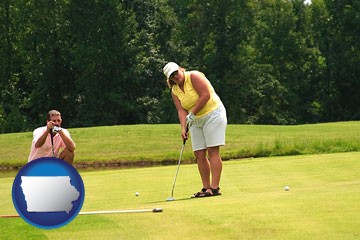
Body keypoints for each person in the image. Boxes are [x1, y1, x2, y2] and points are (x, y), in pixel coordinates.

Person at [163, 62, 227, 197]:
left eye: (176, 73)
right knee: (199, 153)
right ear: (169, 79)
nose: (175, 77)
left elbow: (205, 95)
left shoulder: (194, 76)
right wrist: (183, 128)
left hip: (213, 114)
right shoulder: (174, 91)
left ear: (181, 69)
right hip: (195, 120)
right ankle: (206, 187)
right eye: (171, 76)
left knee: (213, 151)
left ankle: (214, 188)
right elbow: (181, 110)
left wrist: (192, 113)